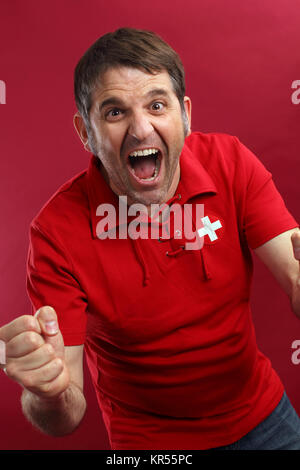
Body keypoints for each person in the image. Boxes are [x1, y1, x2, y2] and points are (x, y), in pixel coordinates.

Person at [1, 27, 300, 451]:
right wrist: (46, 391)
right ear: (86, 132)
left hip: (264, 419)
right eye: (115, 112)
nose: (141, 129)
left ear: (186, 114)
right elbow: (65, 413)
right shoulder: (56, 234)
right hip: (151, 443)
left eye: (157, 105)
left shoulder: (231, 163)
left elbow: (295, 276)